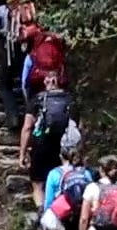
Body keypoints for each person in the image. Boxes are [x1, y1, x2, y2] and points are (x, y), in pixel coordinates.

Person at [18, 71, 73, 208]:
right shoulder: (69, 99)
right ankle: (58, 214)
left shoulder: (38, 99)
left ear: (46, 82)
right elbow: (78, 127)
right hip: (63, 147)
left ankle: (42, 214)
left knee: (38, 184)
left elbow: (27, 127)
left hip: (40, 145)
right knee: (62, 182)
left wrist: (22, 153)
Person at [0, 4, 30, 129]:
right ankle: (29, 114)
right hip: (24, 51)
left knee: (5, 84)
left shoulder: (2, 10)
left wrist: (1, 36)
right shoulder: (26, 10)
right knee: (25, 83)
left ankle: (13, 117)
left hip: (8, 51)